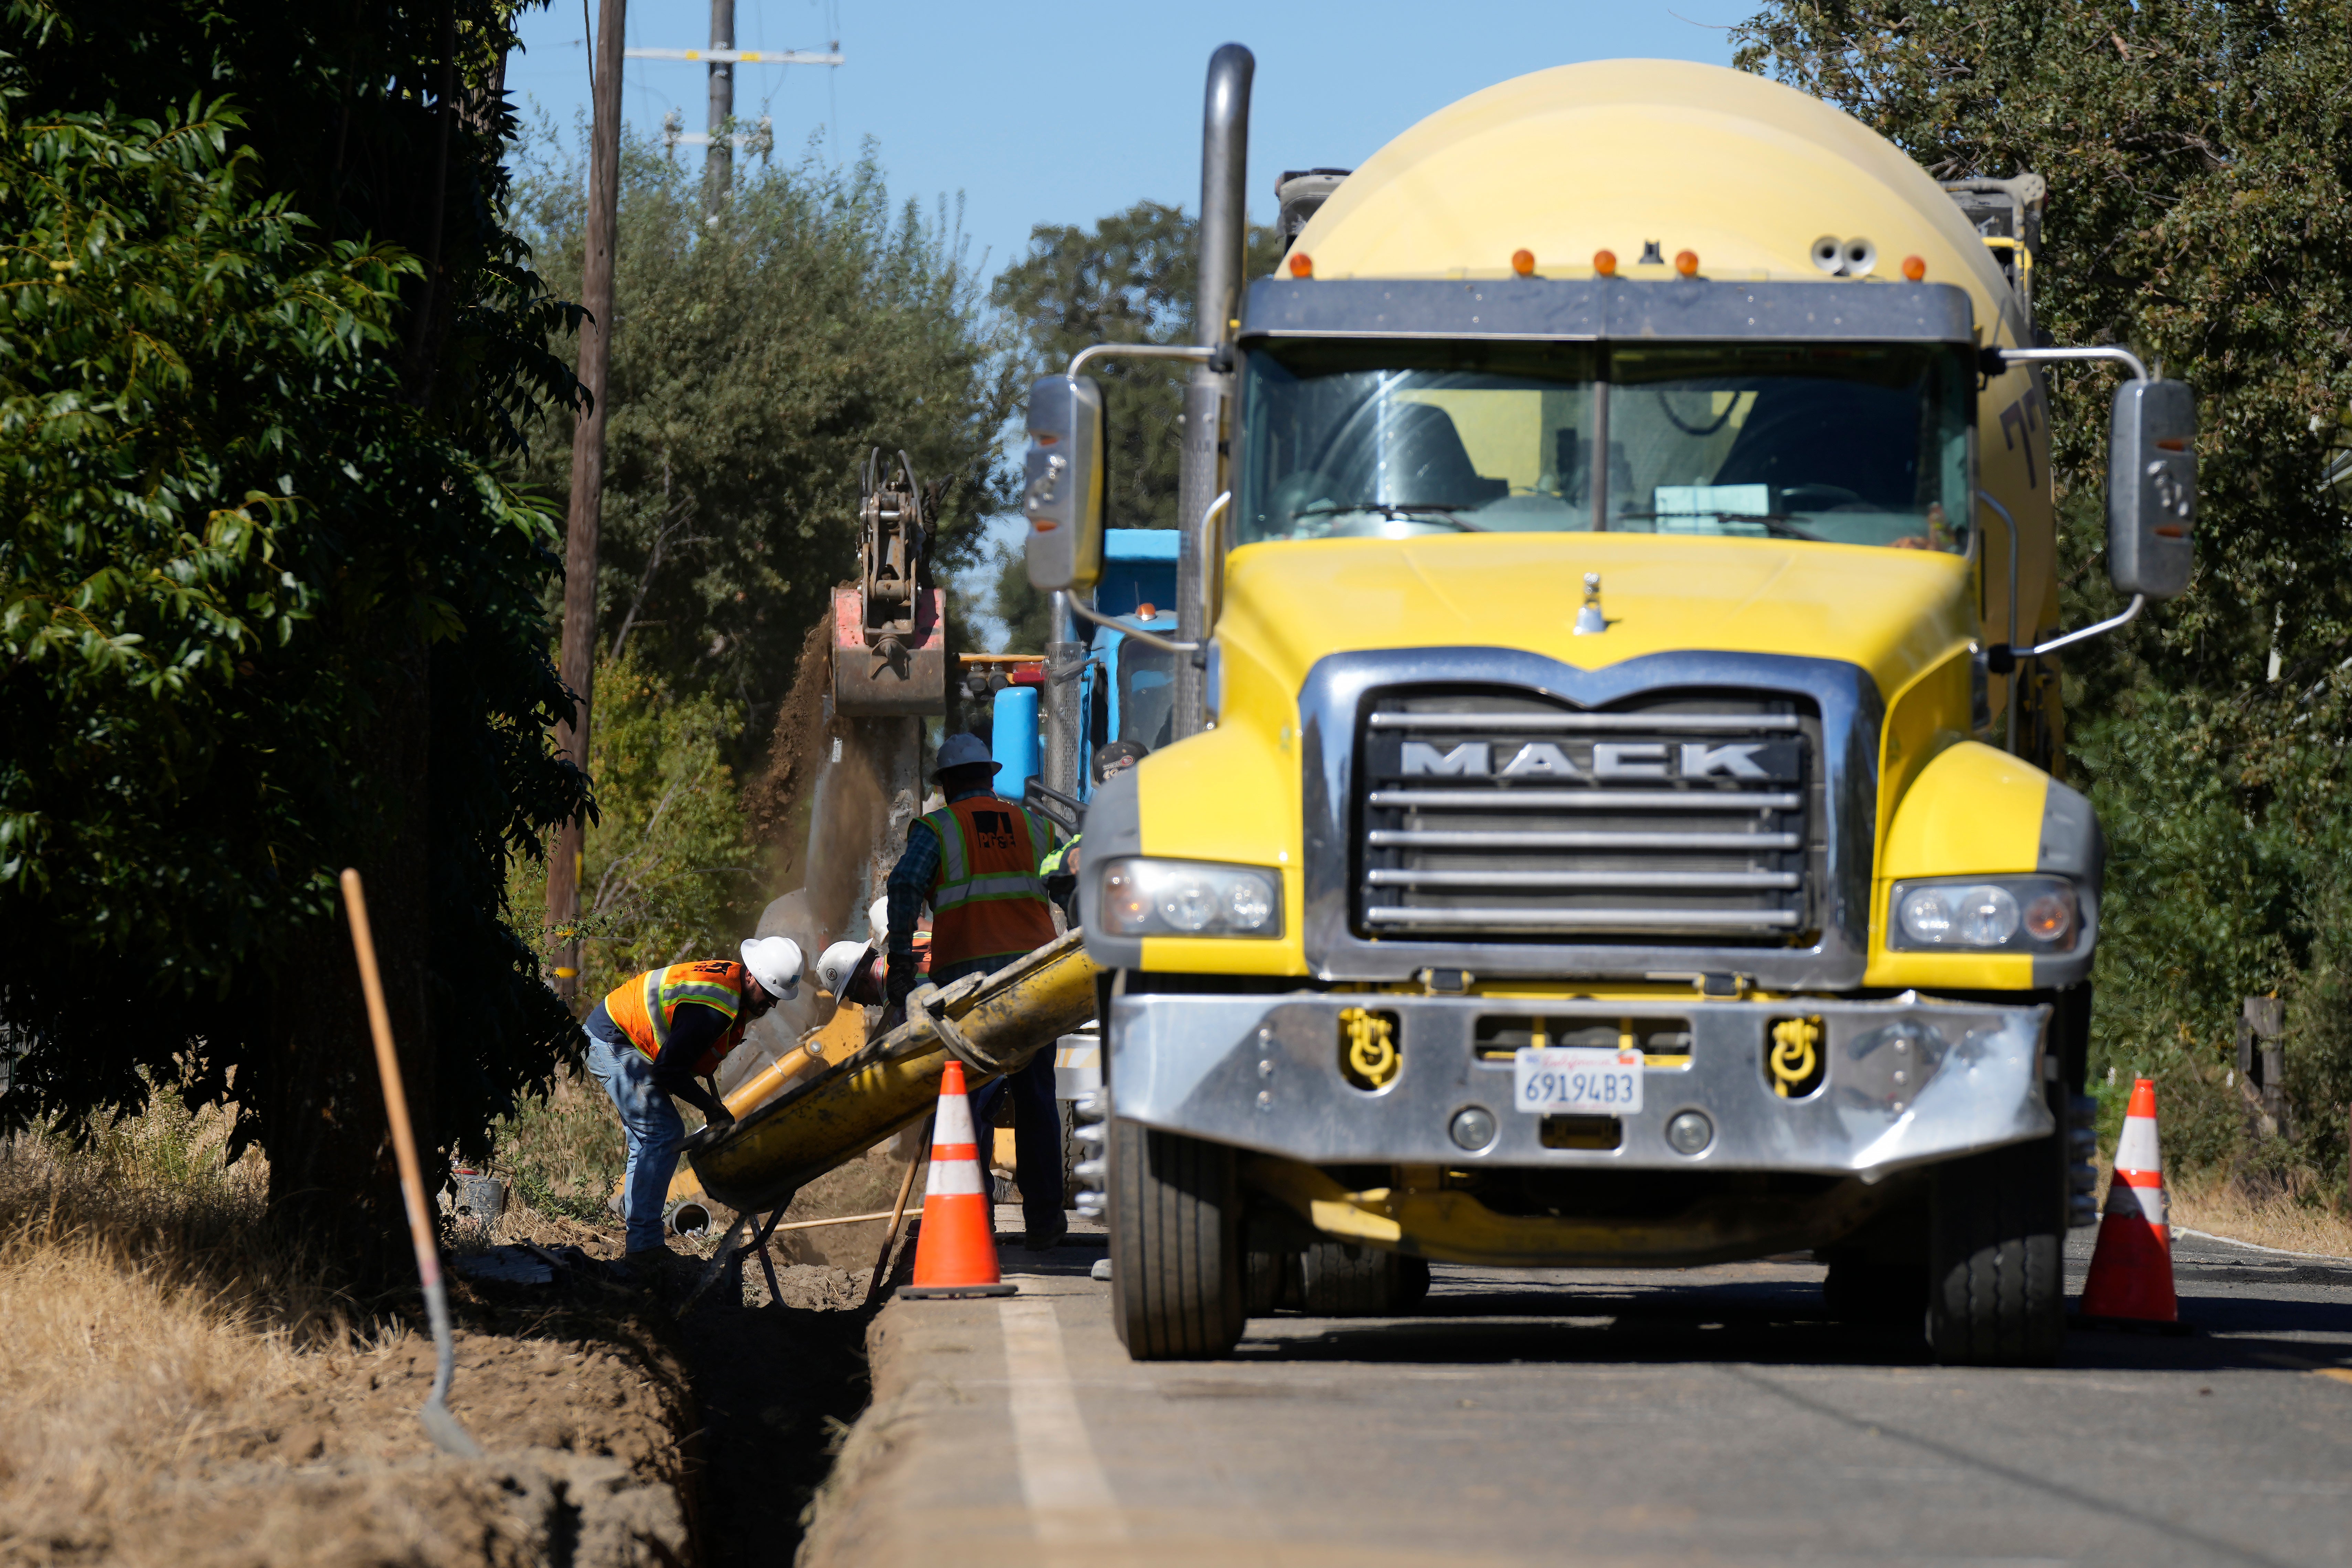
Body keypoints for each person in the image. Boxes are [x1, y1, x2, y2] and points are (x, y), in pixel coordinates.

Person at [884, 731, 1066, 1247]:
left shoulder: (936, 828)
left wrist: (901, 962)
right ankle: (1045, 1221)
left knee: (968, 1100)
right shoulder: (1033, 824)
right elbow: (1060, 883)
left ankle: (974, 1222)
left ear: (944, 785)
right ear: (989, 776)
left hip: (969, 987)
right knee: (1036, 1098)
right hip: (1036, 978)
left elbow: (903, 886)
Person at [581, 937, 803, 1269]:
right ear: (753, 977)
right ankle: (643, 1247)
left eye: (778, 999)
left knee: (648, 1139)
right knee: (663, 1132)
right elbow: (668, 1070)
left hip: (625, 1034)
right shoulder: (712, 1011)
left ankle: (640, 1235)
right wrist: (710, 1108)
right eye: (770, 995)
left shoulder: (731, 981)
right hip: (614, 1038)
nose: (772, 1005)